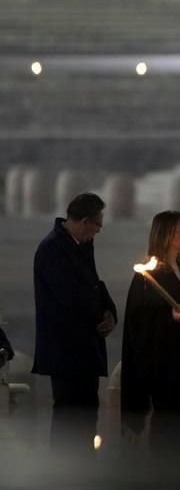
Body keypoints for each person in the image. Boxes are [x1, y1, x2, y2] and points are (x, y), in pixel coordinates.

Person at [32, 192, 117, 453]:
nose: (98, 230)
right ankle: (65, 470)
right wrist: (99, 316)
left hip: (85, 348)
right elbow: (70, 296)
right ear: (84, 221)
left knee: (87, 414)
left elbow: (94, 283)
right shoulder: (53, 248)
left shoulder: (81, 244)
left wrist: (110, 311)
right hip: (66, 350)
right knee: (69, 417)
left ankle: (83, 468)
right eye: (97, 224)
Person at [121, 210, 180, 457]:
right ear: (165, 234)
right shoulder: (148, 277)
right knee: (166, 430)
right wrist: (171, 319)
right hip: (164, 364)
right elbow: (139, 325)